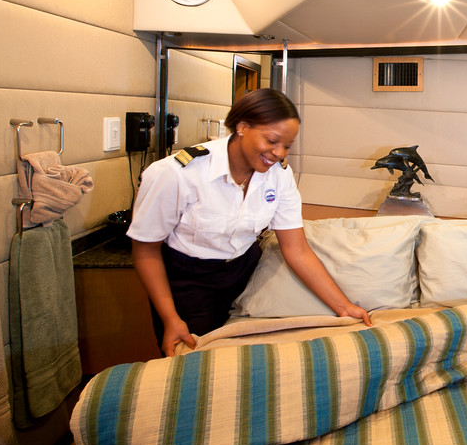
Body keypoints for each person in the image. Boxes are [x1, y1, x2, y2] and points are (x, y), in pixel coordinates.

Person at [128, 88, 371, 356]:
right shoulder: (177, 173)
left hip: (245, 274)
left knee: (247, 361)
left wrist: (344, 307)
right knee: (195, 366)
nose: (279, 153)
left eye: (287, 146)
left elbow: (297, 250)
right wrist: (170, 319)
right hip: (188, 284)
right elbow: (146, 251)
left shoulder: (279, 176)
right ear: (242, 127)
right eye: (272, 141)